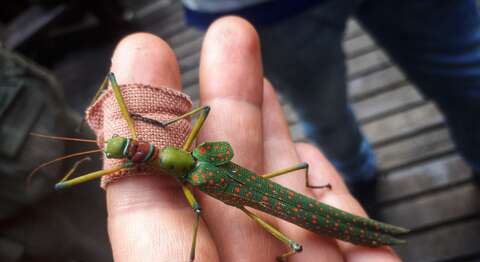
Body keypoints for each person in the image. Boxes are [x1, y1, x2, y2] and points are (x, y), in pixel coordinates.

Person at [104, 18, 480, 262]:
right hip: (272, 195)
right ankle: (350, 232)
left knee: (300, 227)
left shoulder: (193, 180)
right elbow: (204, 130)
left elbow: (194, 199)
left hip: (275, 204)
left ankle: (293, 251)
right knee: (308, 205)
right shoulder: (199, 159)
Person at [182, 0, 480, 204]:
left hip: (260, 11)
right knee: (324, 115)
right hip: (268, 9)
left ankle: (355, 176)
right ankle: (355, 176)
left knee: (470, 78)